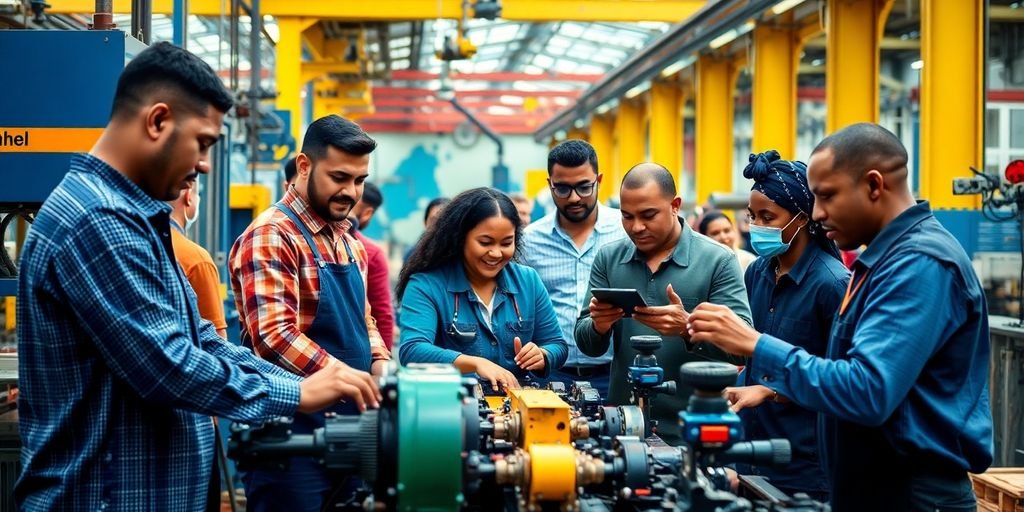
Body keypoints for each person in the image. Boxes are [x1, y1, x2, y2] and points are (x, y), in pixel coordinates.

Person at [15, 42, 380, 512]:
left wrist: (322, 382)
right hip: (105, 495)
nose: (205, 164)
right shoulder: (98, 220)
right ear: (158, 121)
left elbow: (201, 341)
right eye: (203, 142)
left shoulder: (134, 219)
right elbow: (166, 365)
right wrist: (295, 391)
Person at [687, 123, 993, 510]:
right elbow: (844, 371)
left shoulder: (919, 264)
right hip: (873, 487)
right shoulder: (881, 263)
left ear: (874, 185)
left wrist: (757, 344)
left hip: (911, 494)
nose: (817, 213)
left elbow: (867, 390)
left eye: (827, 196)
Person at [229, 114, 392, 512]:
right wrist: (345, 378)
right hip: (290, 438)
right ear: (304, 166)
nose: (351, 192)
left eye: (359, 181)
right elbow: (273, 336)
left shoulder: (347, 241)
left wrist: (380, 362)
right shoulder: (271, 235)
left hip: (352, 429)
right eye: (339, 177)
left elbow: (363, 319)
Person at [574, 163, 751, 444]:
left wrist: (688, 329)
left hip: (694, 430)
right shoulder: (608, 259)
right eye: (627, 216)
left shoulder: (718, 261)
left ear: (675, 206)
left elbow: (742, 351)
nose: (636, 227)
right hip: (623, 428)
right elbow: (587, 344)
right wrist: (598, 326)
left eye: (648, 215)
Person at [724, 150, 849, 502]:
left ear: (802, 218)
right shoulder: (757, 272)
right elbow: (747, 352)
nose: (757, 226)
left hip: (805, 462)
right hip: (752, 450)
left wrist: (772, 390)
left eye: (768, 216)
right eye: (752, 216)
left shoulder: (832, 284)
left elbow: (840, 376)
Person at [397, 187, 568, 391]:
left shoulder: (528, 281)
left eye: (506, 243)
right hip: (451, 409)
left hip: (517, 410)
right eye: (485, 242)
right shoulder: (426, 285)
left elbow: (557, 344)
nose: (496, 253)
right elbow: (413, 350)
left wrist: (543, 355)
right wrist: (475, 363)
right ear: (460, 238)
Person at [521, 140, 627, 398]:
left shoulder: (625, 231)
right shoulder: (529, 240)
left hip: (614, 374)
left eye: (584, 187)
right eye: (563, 189)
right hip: (549, 376)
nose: (575, 197)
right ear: (550, 185)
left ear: (599, 180)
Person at [168, 176, 228, 339]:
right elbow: (217, 340)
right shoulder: (197, 259)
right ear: (188, 196)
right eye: (197, 194)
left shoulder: (143, 241)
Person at [350, 181, 395, 349]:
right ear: (368, 213)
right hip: (359, 352)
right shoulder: (371, 252)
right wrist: (383, 362)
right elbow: (382, 314)